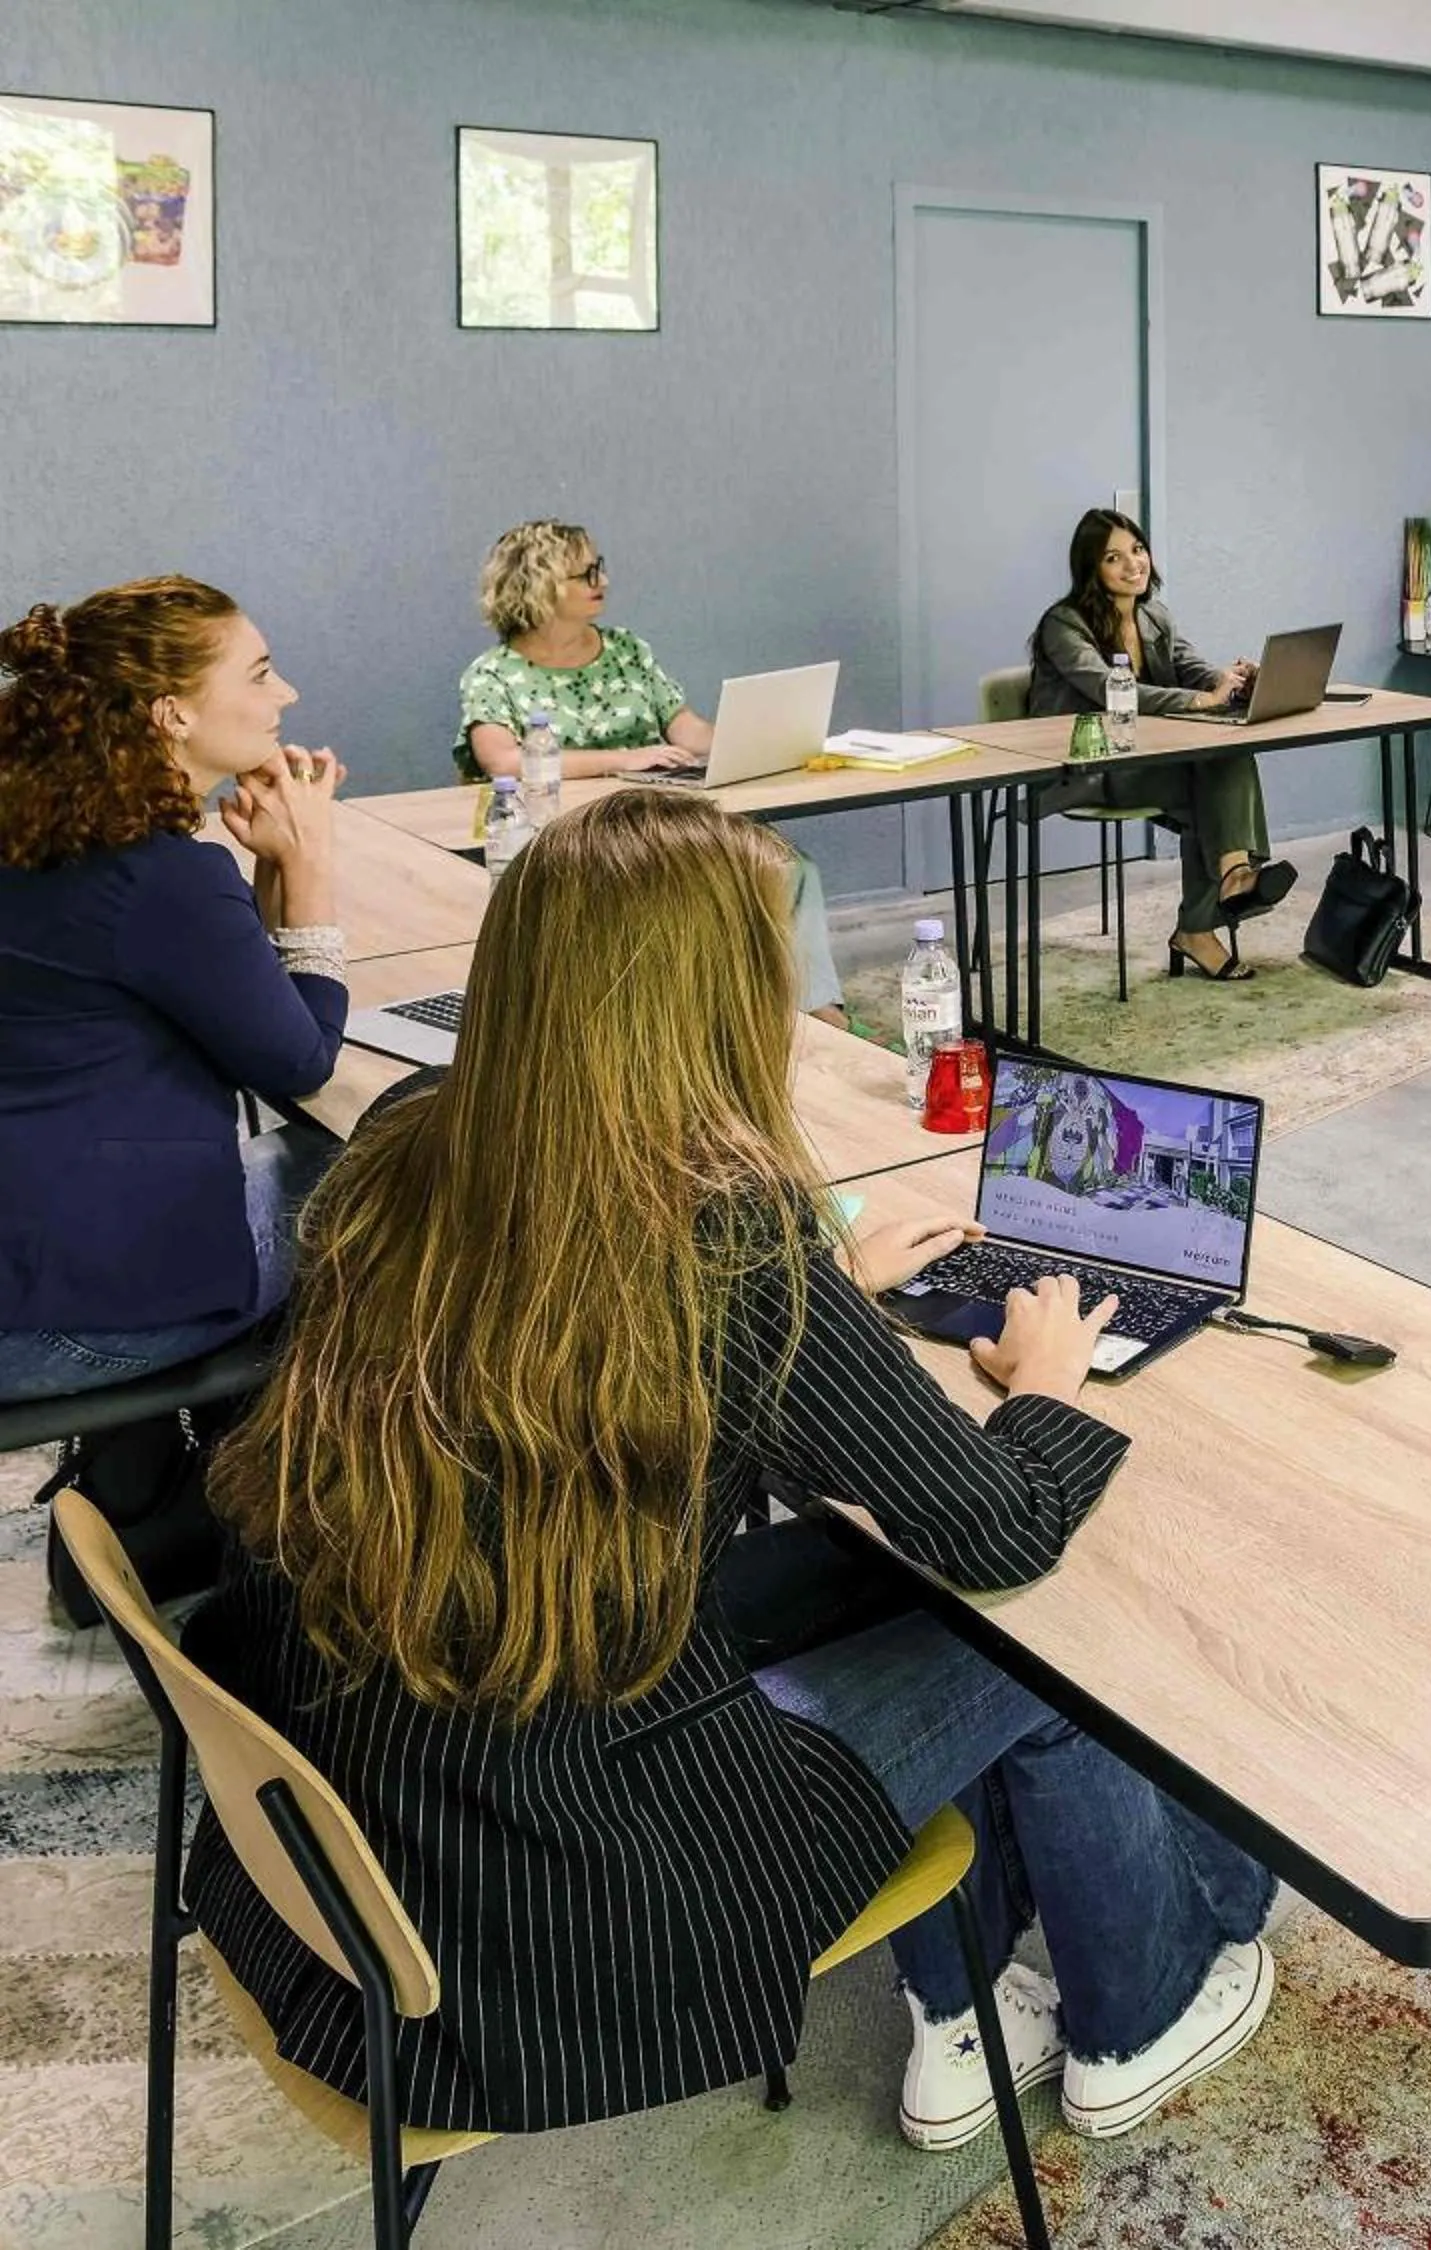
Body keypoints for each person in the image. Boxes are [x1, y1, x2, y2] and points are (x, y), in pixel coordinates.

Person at [186, 789, 1278, 2152]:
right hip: (574, 1894)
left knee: (862, 1567)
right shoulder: (721, 1233)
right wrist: (1048, 1383)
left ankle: (963, 2007)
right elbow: (1002, 1526)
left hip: (394, 1772)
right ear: (719, 997)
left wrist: (818, 1290)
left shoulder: (411, 1135)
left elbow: (595, 1334)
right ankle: (1141, 2005)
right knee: (1044, 1633)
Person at [0, 578, 346, 1401]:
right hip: (75, 1315)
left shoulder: (42, 836)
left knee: (290, 1161)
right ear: (172, 714)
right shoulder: (164, 879)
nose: (286, 693)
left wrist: (265, 879)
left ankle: (155, 1483)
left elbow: (224, 997)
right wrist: (310, 867)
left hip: (26, 1262)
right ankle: (282, 1486)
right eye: (260, 674)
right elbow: (299, 1064)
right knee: (389, 1177)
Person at [457, 519, 846, 1026]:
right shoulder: (493, 673)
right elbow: (501, 760)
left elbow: (686, 730)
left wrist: (760, 737)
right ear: (539, 584)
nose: (603, 580)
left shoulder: (625, 650)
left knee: (786, 864)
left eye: (601, 567)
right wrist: (622, 760)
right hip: (565, 836)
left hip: (657, 819)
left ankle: (811, 1012)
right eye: (586, 572)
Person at [1025, 509, 1293, 983]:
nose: (1133, 564)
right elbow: (1112, 689)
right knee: (1213, 784)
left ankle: (1218, 896)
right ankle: (1214, 903)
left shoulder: (1154, 615)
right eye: (1114, 557)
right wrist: (1202, 699)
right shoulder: (1063, 625)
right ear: (1091, 569)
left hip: (1146, 761)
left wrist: (1231, 682)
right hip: (1086, 766)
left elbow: (1192, 668)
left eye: (1138, 549)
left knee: (1222, 760)